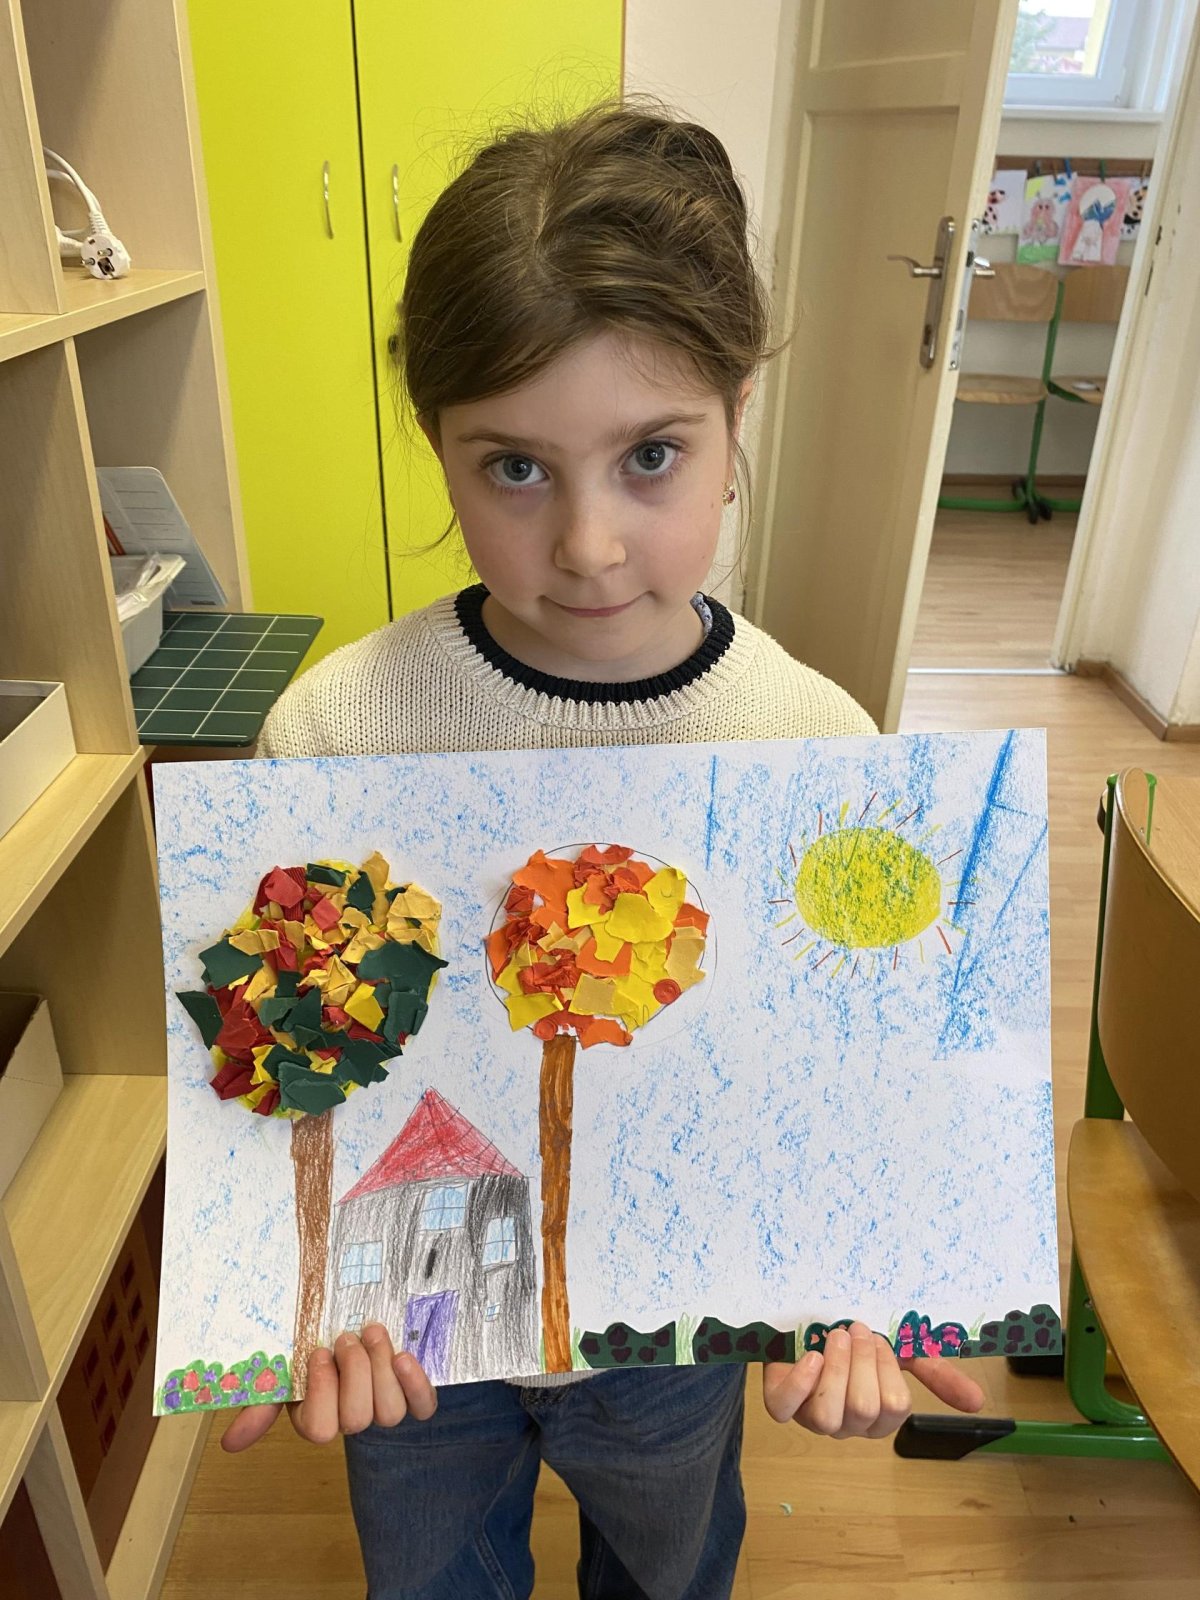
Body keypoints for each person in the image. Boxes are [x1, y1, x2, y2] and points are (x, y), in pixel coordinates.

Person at [230, 100, 985, 1600]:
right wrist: (277, 1285)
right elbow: (278, 1064)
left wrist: (863, 1285)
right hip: (414, 1327)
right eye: (513, 468)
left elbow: (861, 1061)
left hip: (675, 1337)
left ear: (738, 416)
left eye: (651, 455)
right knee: (432, 1576)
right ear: (436, 443)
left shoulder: (812, 745)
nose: (586, 543)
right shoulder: (334, 734)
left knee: (667, 1567)